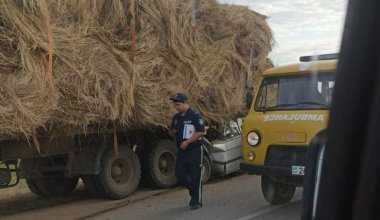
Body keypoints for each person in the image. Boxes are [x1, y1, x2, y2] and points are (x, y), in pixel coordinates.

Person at [168, 92, 205, 210]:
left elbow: (201, 132)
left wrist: (187, 142)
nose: (177, 107)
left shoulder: (195, 116)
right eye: (175, 105)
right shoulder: (176, 118)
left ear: (185, 103)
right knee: (180, 175)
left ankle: (197, 201)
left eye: (178, 104)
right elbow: (172, 131)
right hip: (182, 151)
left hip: (194, 149)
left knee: (195, 176)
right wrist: (172, 132)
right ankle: (193, 191)